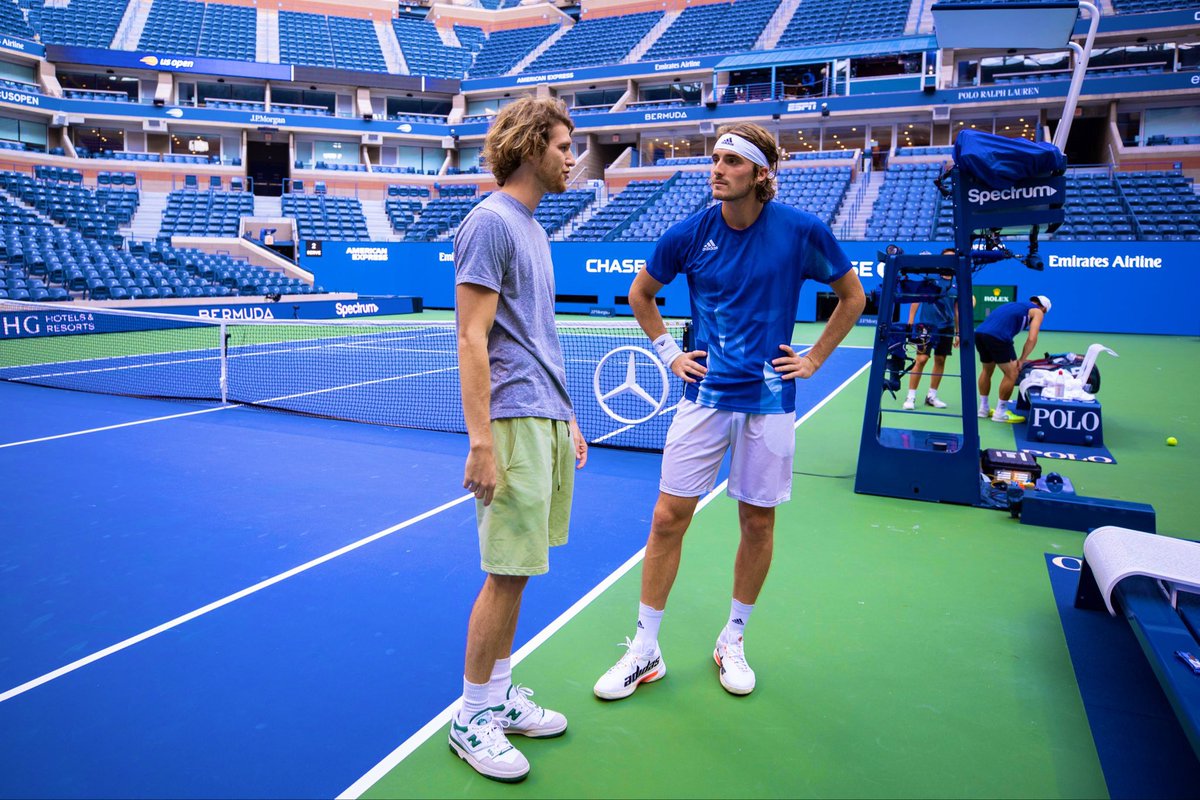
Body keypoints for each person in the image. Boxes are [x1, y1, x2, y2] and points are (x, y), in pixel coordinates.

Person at [593, 123, 865, 700]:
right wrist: (668, 352)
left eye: (729, 161)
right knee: (668, 518)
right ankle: (644, 650)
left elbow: (853, 296)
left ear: (761, 174)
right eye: (713, 159)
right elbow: (641, 294)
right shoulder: (690, 233)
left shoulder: (801, 231)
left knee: (757, 523)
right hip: (703, 399)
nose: (715, 169)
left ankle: (733, 639)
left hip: (769, 403)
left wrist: (815, 357)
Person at [450, 96, 588, 783]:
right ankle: (470, 716)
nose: (573, 157)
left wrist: (566, 415)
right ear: (533, 145)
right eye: (564, 145)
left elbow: (538, 337)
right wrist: (480, 441)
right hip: (506, 423)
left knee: (521, 567)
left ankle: (497, 699)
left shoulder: (532, 229)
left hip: (543, 415)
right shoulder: (490, 222)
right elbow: (472, 337)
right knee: (504, 571)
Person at [975, 295, 1052, 423]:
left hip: (980, 334)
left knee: (987, 371)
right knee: (1012, 373)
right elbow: (1032, 338)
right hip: (998, 337)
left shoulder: (1014, 305)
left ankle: (983, 409)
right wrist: (1021, 360)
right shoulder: (1038, 311)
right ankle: (1001, 412)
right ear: (1043, 308)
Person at [902, 248, 959, 411]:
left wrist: (958, 332)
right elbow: (917, 299)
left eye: (952, 258)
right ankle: (910, 397)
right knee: (921, 360)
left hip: (946, 327)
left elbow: (957, 310)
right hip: (926, 326)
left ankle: (931, 396)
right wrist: (910, 322)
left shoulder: (958, 283)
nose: (949, 261)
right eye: (946, 258)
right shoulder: (930, 278)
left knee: (940, 360)